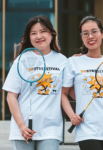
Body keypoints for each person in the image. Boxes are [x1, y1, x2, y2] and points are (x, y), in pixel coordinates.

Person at [2, 15, 67, 150]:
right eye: (34, 33)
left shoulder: (63, 61)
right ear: (29, 37)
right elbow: (11, 96)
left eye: (43, 31)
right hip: (23, 130)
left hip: (51, 130)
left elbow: (68, 92)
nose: (39, 36)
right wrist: (21, 125)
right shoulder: (22, 59)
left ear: (51, 34)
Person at [62, 15, 103, 150]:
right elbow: (63, 94)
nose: (90, 36)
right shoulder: (73, 62)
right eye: (85, 33)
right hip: (86, 129)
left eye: (94, 31)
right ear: (81, 37)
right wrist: (72, 115)